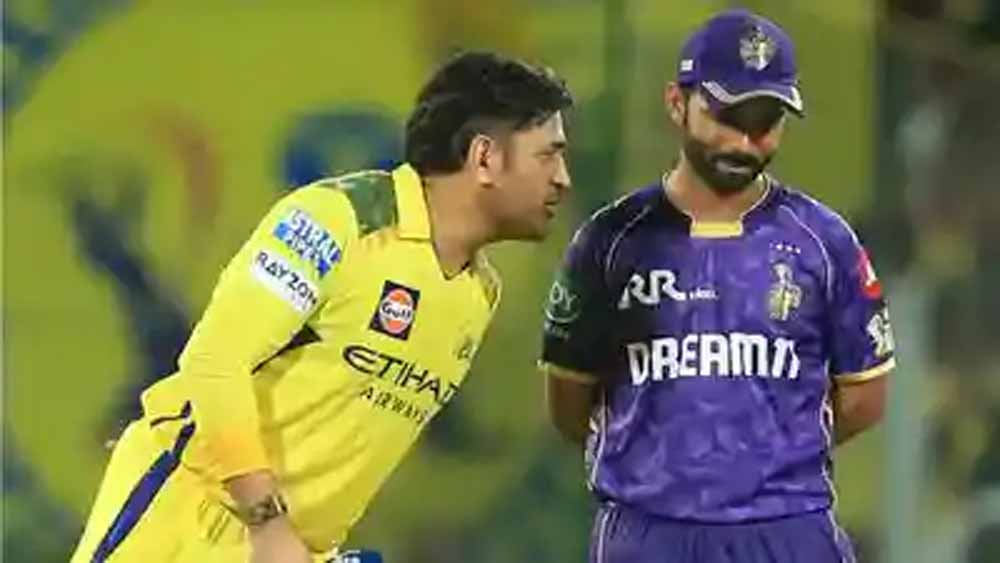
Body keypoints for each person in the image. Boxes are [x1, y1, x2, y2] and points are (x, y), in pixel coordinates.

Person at [71, 50, 573, 563]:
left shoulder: (479, 293)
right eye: (547, 156)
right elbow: (214, 362)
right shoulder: (337, 221)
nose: (563, 178)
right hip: (192, 522)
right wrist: (266, 521)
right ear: (485, 157)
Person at [540, 9, 893, 563]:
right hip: (647, 534)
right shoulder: (610, 243)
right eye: (728, 116)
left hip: (788, 531)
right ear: (675, 103)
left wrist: (767, 460)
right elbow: (568, 402)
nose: (746, 142)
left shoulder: (823, 242)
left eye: (766, 121)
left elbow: (865, 397)